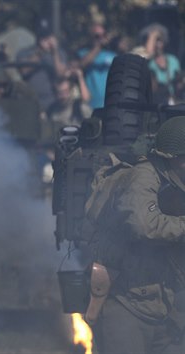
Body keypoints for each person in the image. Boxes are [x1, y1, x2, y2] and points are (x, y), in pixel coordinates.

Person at [89, 116, 185, 353]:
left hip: (166, 304)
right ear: (174, 159)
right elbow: (144, 225)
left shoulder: (175, 181)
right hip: (126, 303)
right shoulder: (143, 177)